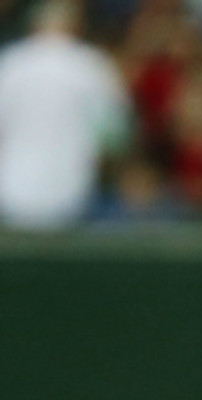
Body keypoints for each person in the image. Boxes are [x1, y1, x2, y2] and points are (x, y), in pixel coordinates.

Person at [0, 0, 129, 229]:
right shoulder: (92, 65)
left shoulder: (10, 63)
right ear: (76, 27)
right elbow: (115, 136)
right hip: (72, 192)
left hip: (12, 190)